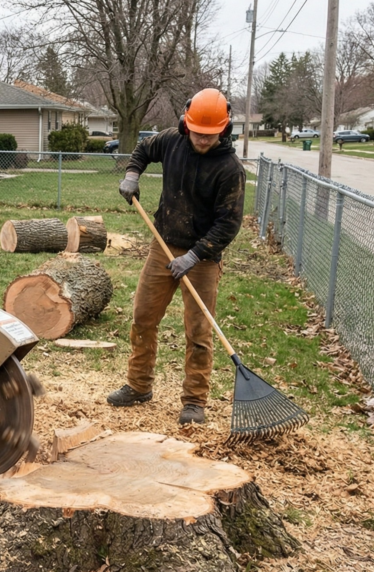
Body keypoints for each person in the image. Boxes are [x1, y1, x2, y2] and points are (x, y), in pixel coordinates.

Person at [109, 88, 245, 425]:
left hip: (203, 257)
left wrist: (195, 256)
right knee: (143, 316)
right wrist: (131, 174)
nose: (201, 139)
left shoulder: (230, 169)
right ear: (186, 123)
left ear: (224, 129)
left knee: (198, 331)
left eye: (209, 135)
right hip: (163, 243)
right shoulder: (171, 140)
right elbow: (143, 149)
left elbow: (228, 224)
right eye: (197, 132)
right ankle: (139, 386)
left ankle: (195, 401)